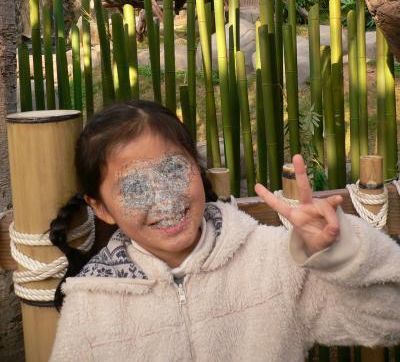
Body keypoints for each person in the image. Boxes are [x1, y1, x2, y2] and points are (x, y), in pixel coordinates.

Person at [49, 100, 400, 361]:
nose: (165, 201)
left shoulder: (273, 263)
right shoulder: (91, 304)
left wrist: (336, 254)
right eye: (136, 188)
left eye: (174, 171)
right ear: (101, 207)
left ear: (197, 167)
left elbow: (388, 319)